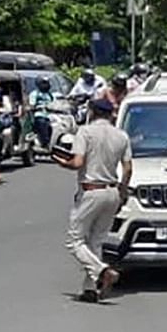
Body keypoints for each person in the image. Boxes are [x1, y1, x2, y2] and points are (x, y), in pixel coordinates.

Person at [57, 98, 130, 303]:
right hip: (112, 191)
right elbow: (128, 168)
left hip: (91, 190)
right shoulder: (121, 135)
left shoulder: (85, 132)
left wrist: (63, 162)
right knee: (96, 240)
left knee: (74, 241)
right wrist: (122, 192)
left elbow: (77, 162)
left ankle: (102, 271)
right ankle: (89, 289)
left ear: (92, 112)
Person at [29, 77, 56, 148]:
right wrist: (39, 107)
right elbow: (31, 106)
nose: (46, 85)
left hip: (52, 115)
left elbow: (56, 103)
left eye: (47, 83)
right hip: (40, 115)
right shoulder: (34, 94)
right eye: (44, 83)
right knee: (43, 122)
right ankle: (45, 142)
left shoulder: (51, 95)